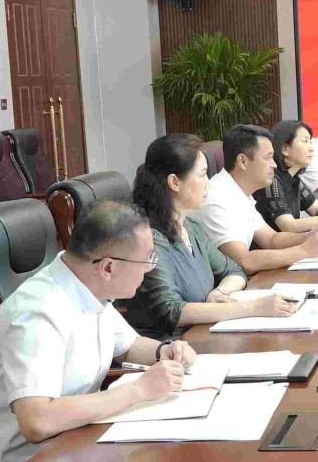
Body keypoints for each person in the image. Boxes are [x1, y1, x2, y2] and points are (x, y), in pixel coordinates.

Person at [0, 200, 196, 462]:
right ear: (108, 267)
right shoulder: (36, 313)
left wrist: (163, 350)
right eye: (147, 260)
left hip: (72, 441)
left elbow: (127, 346)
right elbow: (37, 421)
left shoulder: (87, 286)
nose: (149, 268)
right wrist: (139, 390)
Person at [123, 133, 300, 335]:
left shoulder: (191, 227)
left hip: (204, 333)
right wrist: (253, 307)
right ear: (174, 182)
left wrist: (219, 292)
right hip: (171, 347)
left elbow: (234, 270)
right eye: (202, 175)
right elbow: (171, 311)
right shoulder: (149, 239)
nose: (208, 182)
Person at [199, 124, 318, 273]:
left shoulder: (240, 192)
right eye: (268, 158)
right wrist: (304, 251)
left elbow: (271, 239)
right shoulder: (218, 197)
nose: (274, 165)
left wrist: (310, 235)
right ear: (243, 161)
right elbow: (244, 262)